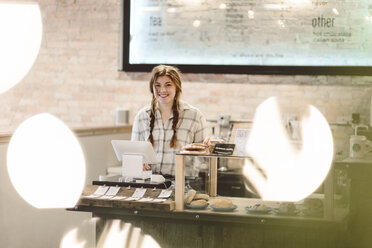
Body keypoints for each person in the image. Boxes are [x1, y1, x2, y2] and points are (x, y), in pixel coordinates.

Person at [131, 65, 207, 177]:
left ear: (177, 87)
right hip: (150, 184)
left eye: (168, 85)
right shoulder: (142, 116)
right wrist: (138, 163)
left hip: (184, 185)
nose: (162, 90)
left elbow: (204, 159)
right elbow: (133, 155)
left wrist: (209, 148)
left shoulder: (195, 116)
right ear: (152, 88)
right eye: (157, 85)